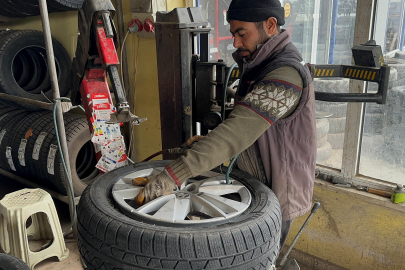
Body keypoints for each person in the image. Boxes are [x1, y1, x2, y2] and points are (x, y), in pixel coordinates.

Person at [134, 0, 316, 251]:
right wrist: (210, 145)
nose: (236, 43)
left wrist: (173, 175)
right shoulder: (258, 64)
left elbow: (238, 132)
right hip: (253, 179)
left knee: (258, 259)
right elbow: (249, 128)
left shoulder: (286, 75)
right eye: (233, 34)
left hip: (278, 190)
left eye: (242, 33)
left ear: (270, 25)